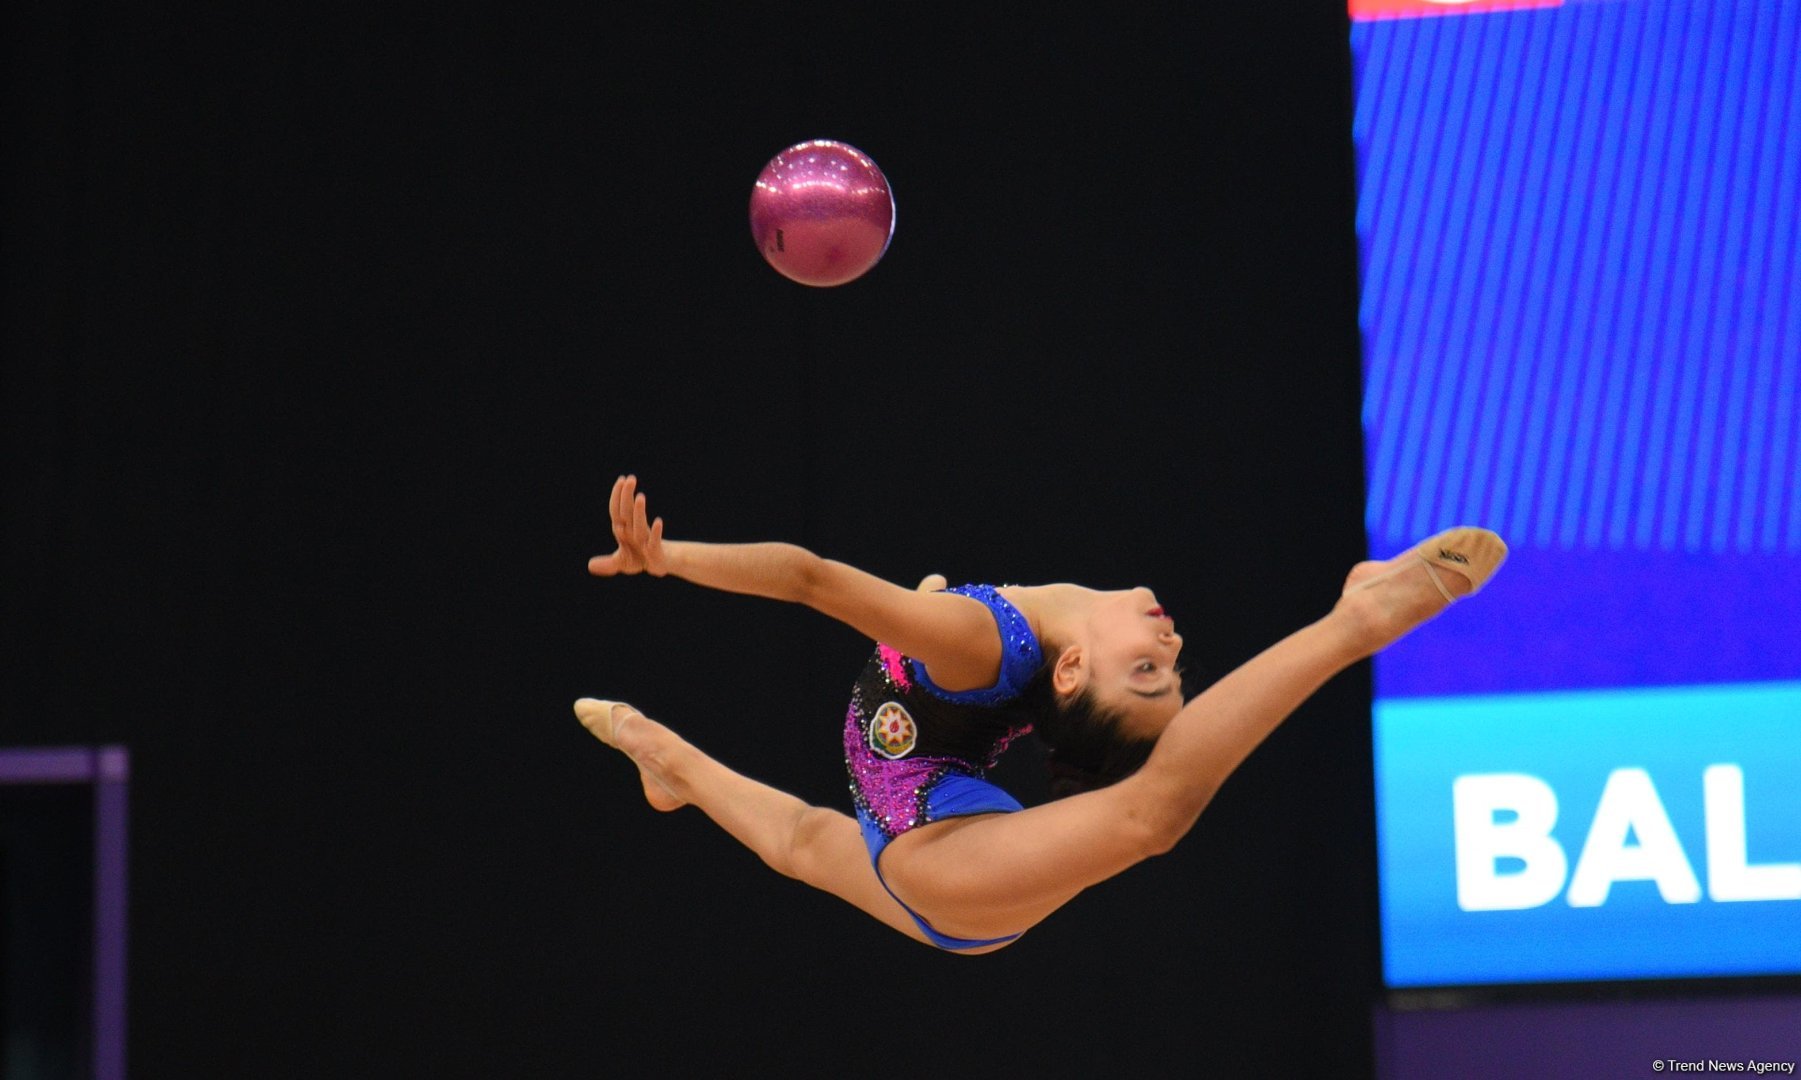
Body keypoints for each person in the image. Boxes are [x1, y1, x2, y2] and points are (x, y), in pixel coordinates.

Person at [575, 475, 1506, 953]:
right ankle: (664, 758)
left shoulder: (979, 639)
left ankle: (1358, 623)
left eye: (1146, 670)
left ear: (1070, 671)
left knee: (1153, 814)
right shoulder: (1013, 651)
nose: (1171, 644)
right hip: (932, 810)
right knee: (802, 847)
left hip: (938, 860)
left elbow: (810, 578)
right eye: (1170, 670)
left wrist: (669, 559)